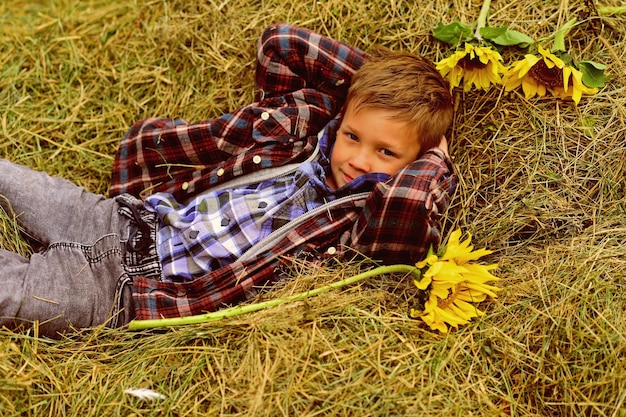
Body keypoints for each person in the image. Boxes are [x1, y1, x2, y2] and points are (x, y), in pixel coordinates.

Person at [0, 23, 455, 338]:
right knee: (12, 180)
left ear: (414, 161)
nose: (358, 158)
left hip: (121, 293)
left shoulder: (359, 223)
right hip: (123, 221)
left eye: (386, 152)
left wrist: (434, 144)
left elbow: (411, 202)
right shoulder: (303, 130)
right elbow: (282, 44)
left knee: (14, 292)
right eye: (353, 136)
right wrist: (372, 91)